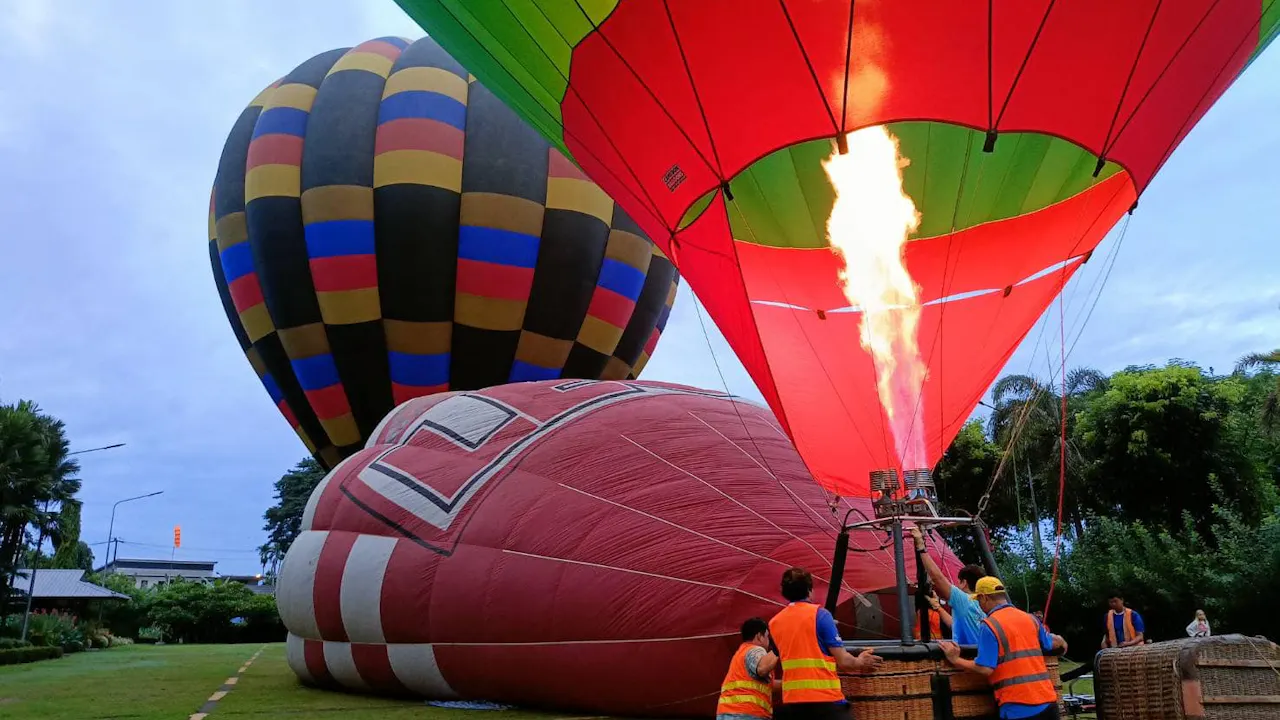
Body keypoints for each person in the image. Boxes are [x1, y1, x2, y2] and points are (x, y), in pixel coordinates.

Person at [940, 577, 1068, 720]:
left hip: (1017, 707)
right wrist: (1061, 642)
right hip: (1048, 703)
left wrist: (956, 659)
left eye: (978, 600)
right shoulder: (1030, 619)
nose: (979, 605)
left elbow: (985, 668)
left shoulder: (989, 625)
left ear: (984, 597)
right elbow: (1050, 643)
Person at [769, 567, 882, 720]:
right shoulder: (820, 615)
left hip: (793, 703)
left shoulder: (775, 623)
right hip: (825, 701)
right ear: (809, 591)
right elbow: (845, 662)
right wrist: (860, 661)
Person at [910, 526, 986, 644]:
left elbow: (938, 578)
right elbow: (955, 625)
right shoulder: (985, 603)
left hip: (970, 656)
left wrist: (921, 547)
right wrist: (938, 608)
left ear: (964, 583)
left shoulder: (964, 600)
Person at [717, 618, 780, 720]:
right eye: (767, 637)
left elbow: (768, 685)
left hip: (729, 713)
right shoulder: (754, 650)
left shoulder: (741, 654)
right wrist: (779, 647)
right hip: (746, 713)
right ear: (759, 636)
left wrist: (790, 683)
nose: (769, 642)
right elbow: (762, 668)